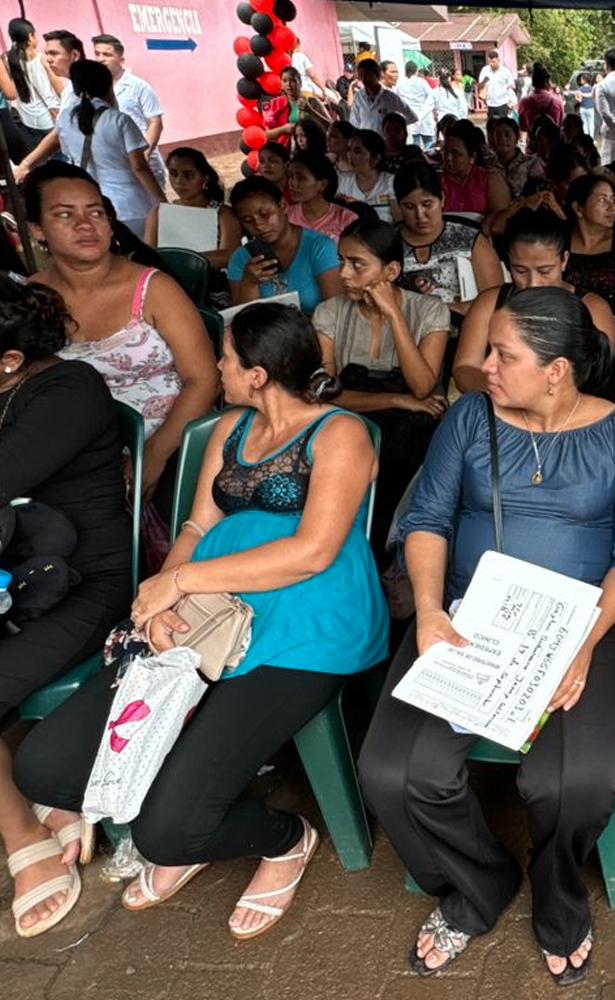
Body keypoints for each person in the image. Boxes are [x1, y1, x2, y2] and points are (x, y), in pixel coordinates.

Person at [14, 301, 388, 941]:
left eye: (228, 357)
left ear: (261, 372)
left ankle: (287, 838)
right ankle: (185, 792)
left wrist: (178, 581)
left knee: (168, 830)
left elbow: (313, 551)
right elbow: (199, 525)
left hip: (305, 620)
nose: (216, 366)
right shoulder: (229, 430)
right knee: (43, 766)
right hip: (209, 611)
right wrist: (164, 601)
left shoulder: (339, 433)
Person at [359, 285, 615, 981]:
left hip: (590, 621)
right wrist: (432, 611)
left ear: (557, 369)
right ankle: (478, 884)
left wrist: (582, 643)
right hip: (468, 612)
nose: (482, 363)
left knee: (574, 781)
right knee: (396, 770)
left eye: (503, 352)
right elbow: (428, 518)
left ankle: (558, 900)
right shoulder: (469, 417)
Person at [0, 277, 133, 938]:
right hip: (21, 577)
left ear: (9, 361)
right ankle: (43, 810)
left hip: (86, 585)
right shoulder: (14, 388)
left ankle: (23, 830)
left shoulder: (69, 391)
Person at [28, 163, 216, 501]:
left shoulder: (155, 289)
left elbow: (203, 380)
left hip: (170, 443)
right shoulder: (34, 295)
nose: (85, 225)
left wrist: (153, 457)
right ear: (37, 229)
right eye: (65, 215)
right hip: (80, 452)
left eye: (95, 212)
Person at [313, 218, 448, 545]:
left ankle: (391, 544)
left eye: (357, 264)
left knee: (406, 443)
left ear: (390, 271)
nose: (344, 274)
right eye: (342, 261)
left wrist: (394, 316)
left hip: (406, 434)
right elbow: (323, 392)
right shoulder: (330, 312)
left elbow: (422, 388)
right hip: (350, 417)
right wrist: (397, 400)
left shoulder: (430, 311)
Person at [452, 208, 615, 394]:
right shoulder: (490, 302)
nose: (532, 284)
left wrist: (535, 400)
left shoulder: (593, 308)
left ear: (564, 260)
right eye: (520, 271)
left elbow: (598, 381)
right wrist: (507, 392)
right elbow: (464, 368)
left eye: (545, 271)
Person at [55, 59, 164, 237]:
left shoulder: (64, 119)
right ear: (108, 86)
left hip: (93, 206)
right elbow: (139, 167)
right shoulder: (119, 120)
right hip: (132, 207)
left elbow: (71, 157)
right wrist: (162, 203)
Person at [394, 161, 504, 316]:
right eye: (409, 207)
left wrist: (445, 311)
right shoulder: (389, 242)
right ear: (399, 206)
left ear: (442, 199)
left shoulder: (470, 240)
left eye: (427, 204)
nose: (420, 215)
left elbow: (495, 300)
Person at [227, 176, 342, 314]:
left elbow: (335, 314)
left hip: (316, 332)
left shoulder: (320, 247)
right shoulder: (241, 258)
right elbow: (241, 319)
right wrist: (249, 283)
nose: (259, 225)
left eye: (265, 215)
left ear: (283, 206)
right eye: (247, 220)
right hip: (264, 334)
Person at [563, 173, 615, 329]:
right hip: (566, 331)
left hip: (613, 333)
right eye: (602, 200)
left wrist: (614, 331)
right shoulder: (559, 243)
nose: (612, 207)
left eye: (613, 199)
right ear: (578, 209)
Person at [145, 147, 243, 269]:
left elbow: (229, 256)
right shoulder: (158, 213)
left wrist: (173, 260)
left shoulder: (223, 214)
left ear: (204, 178)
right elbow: (147, 256)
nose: (179, 180)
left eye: (189, 175)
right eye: (173, 173)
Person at [91, 34, 165, 184]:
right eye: (97, 54)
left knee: (153, 203)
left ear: (121, 60)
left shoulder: (139, 86)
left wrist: (145, 153)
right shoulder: (92, 90)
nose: (100, 59)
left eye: (107, 54)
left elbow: (155, 121)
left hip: (142, 157)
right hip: (113, 162)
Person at [5, 19, 60, 157]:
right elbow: (53, 91)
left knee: (39, 160)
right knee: (60, 159)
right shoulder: (41, 59)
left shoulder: (8, 60)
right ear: (30, 36)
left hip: (27, 122)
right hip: (49, 121)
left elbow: (10, 93)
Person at [434, 120, 508, 224]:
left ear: (472, 157)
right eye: (445, 152)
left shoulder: (491, 180)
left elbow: (500, 219)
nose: (448, 158)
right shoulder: (435, 180)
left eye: (456, 154)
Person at [284, 151, 359, 242]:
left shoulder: (346, 219)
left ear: (322, 185)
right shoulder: (285, 216)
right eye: (290, 176)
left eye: (301, 178)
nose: (292, 183)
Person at [338, 128, 401, 222]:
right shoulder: (342, 181)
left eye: (358, 151)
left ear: (376, 158)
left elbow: (399, 221)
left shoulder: (390, 182)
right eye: (349, 150)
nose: (351, 156)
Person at [348, 58, 414, 133]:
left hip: (384, 141)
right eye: (361, 75)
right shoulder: (358, 96)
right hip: (365, 142)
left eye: (368, 75)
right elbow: (354, 122)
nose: (365, 79)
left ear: (378, 75)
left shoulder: (390, 97)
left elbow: (412, 116)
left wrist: (395, 129)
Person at [395, 62, 436, 151]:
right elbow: (431, 96)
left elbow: (397, 98)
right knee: (428, 142)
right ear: (416, 71)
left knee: (414, 142)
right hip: (424, 115)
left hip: (409, 116)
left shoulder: (400, 83)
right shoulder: (421, 82)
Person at [518, 63, 564, 134]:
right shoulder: (557, 100)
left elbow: (523, 127)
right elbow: (561, 124)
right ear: (547, 82)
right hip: (554, 143)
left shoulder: (524, 101)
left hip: (533, 143)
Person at [476, 49, 516, 124]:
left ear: (498, 60)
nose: (491, 64)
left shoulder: (505, 71)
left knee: (502, 124)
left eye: (493, 62)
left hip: (503, 103)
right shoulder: (485, 70)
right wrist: (484, 80)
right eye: (490, 62)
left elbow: (511, 86)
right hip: (490, 104)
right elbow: (480, 87)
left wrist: (511, 102)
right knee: (491, 126)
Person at [572, 73, 597, 139]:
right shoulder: (592, 88)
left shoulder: (580, 89)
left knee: (585, 124)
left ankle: (586, 139)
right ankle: (591, 139)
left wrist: (576, 96)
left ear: (584, 80)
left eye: (581, 79)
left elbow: (579, 100)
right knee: (591, 124)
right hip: (590, 108)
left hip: (583, 108)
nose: (580, 81)